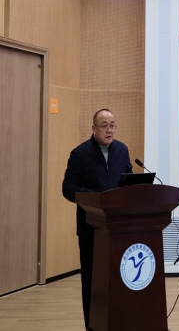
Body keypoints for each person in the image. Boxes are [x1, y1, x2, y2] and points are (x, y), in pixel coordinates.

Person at [62, 109, 132, 328]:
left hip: (118, 229)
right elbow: (68, 188)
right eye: (104, 125)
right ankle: (92, 326)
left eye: (112, 125)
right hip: (91, 228)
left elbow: (128, 181)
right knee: (92, 281)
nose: (110, 130)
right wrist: (94, 198)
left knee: (118, 279)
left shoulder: (122, 150)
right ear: (94, 128)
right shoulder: (80, 154)